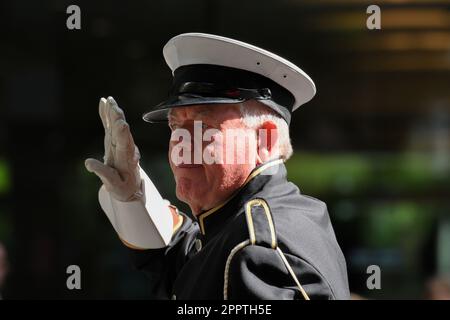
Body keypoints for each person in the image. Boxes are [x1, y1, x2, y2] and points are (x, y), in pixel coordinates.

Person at [85, 33, 350, 299]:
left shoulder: (255, 247)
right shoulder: (262, 221)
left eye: (204, 128)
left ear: (265, 141)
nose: (181, 143)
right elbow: (190, 261)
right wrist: (133, 198)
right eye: (176, 126)